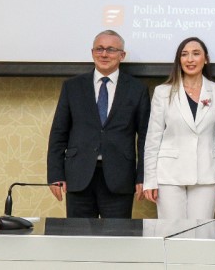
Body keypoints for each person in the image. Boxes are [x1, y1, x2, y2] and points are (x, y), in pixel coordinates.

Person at [47, 30, 150, 218]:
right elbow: (58, 133)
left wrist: (143, 176)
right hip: (78, 175)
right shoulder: (72, 87)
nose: (104, 54)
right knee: (79, 235)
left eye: (111, 49)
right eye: (99, 49)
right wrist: (55, 174)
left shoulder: (137, 89)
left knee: (117, 235)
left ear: (122, 55)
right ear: (92, 52)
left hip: (120, 177)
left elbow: (144, 138)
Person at [143, 37, 215, 219]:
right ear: (179, 60)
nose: (190, 59)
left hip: (206, 173)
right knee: (172, 231)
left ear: (206, 59)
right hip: (169, 174)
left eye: (196, 54)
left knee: (201, 231)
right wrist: (149, 180)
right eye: (184, 54)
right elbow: (153, 138)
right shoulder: (163, 92)